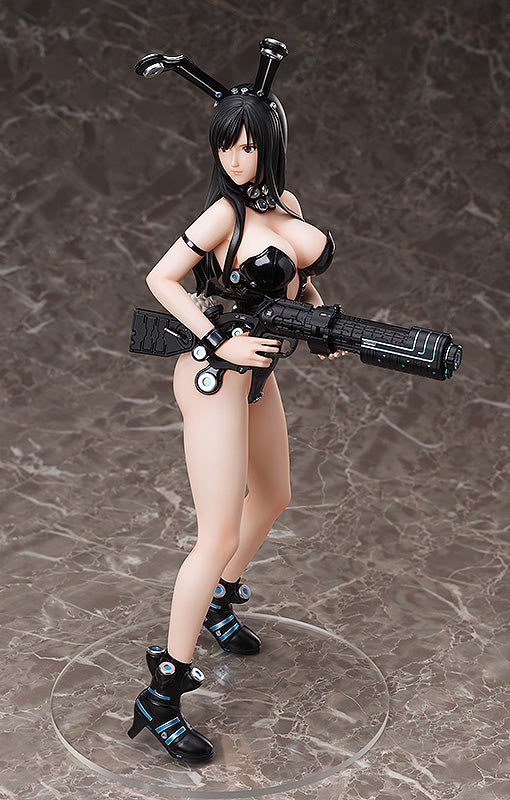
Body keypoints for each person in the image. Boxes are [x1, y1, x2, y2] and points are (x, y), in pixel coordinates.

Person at [127, 39, 345, 762]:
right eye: (226, 145)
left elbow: (298, 282)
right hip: (213, 377)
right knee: (216, 532)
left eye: (248, 146)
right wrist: (217, 340)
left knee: (274, 495)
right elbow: (162, 279)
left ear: (271, 145)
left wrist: (319, 320)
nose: (236, 159)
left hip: (260, 373)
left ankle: (221, 601)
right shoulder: (222, 217)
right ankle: (162, 692)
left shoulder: (286, 205)